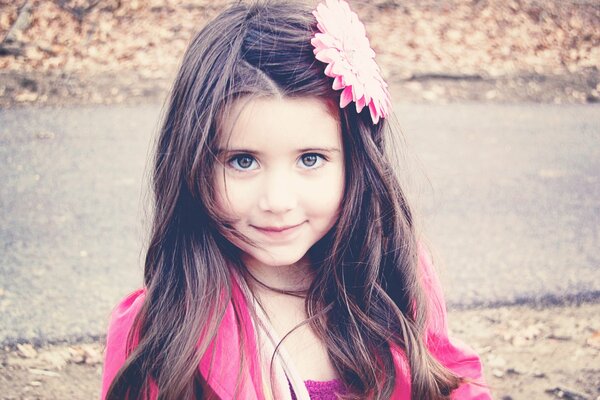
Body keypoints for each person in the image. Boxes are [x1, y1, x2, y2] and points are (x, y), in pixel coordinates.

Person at [101, 0, 492, 399]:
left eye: (310, 159)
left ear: (357, 162)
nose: (278, 200)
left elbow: (448, 381)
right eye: (243, 161)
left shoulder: (391, 276)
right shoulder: (160, 330)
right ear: (193, 164)